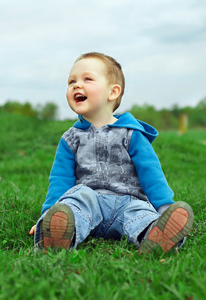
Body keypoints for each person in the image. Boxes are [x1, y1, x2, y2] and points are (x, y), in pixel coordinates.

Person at [29, 52, 194, 253]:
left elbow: (151, 174)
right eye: (71, 81)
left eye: (87, 79)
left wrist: (164, 207)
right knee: (76, 200)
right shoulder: (70, 138)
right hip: (89, 205)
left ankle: (155, 236)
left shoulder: (132, 134)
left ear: (113, 92)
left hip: (128, 201)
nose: (76, 85)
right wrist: (48, 214)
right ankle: (56, 236)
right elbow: (60, 179)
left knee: (140, 213)